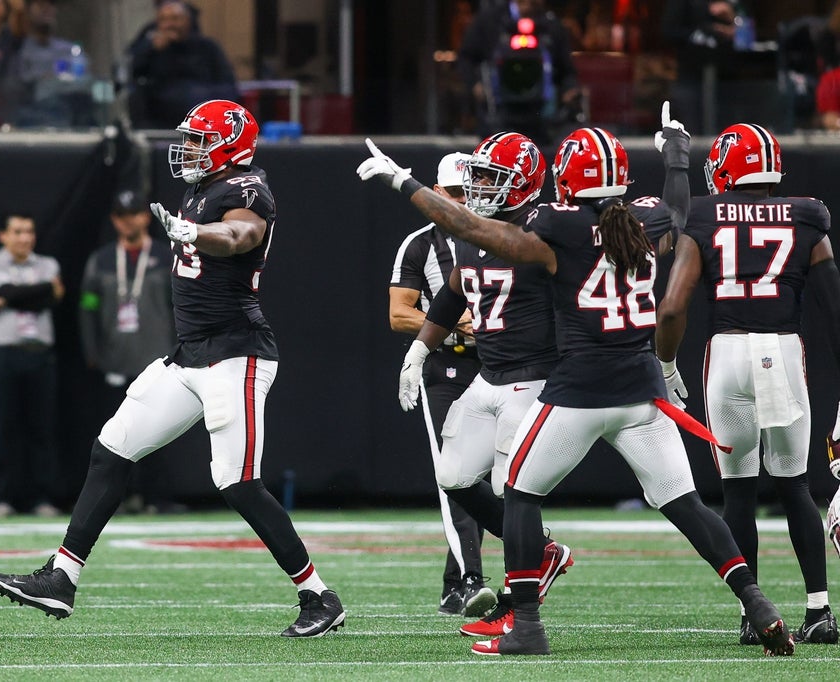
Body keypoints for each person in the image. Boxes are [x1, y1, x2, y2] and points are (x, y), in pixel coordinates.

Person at [357, 102, 795, 657]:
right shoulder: (643, 217)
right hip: (642, 390)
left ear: (564, 176)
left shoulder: (552, 225)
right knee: (686, 504)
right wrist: (677, 156)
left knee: (518, 495)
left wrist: (405, 182)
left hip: (580, 390)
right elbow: (679, 210)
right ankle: (757, 603)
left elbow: (468, 226)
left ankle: (528, 628)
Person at [0, 99, 345, 638]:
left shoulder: (247, 189)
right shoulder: (203, 187)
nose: (190, 149)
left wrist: (195, 234)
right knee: (112, 448)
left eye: (200, 139)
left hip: (236, 354)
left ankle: (318, 596)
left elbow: (240, 235)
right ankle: (61, 577)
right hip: (189, 355)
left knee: (237, 482)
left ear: (230, 143)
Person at [655, 123, 840, 646]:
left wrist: (666, 367)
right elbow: (834, 311)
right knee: (795, 486)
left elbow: (671, 308)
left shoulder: (705, 215)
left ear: (727, 168)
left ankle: (753, 613)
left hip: (729, 354)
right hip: (783, 351)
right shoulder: (808, 215)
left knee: (737, 491)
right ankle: (819, 611)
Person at [398, 132, 572, 639]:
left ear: (522, 186)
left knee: (512, 489)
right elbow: (452, 297)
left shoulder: (543, 231)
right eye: (477, 177)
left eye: (492, 177)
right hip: (487, 377)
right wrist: (418, 351)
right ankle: (544, 553)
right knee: (452, 474)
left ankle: (519, 612)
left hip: (534, 377)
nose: (479, 188)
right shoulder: (476, 235)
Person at [389, 151, 495, 618]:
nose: (462, 201)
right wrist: (454, 327)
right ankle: (470, 581)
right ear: (436, 193)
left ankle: (458, 583)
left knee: (491, 480)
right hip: (448, 369)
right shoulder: (420, 245)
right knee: (455, 473)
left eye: (468, 191)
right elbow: (398, 312)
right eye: (453, 193)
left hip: (499, 368)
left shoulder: (502, 233)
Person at [79, 189, 183, 515]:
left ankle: (155, 497)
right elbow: (88, 306)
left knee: (160, 432)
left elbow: (179, 305)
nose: (129, 221)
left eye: (135, 214)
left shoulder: (166, 256)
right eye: (122, 216)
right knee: (115, 435)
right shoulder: (102, 259)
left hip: (158, 357)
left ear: (144, 217)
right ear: (114, 220)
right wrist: (92, 349)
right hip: (115, 358)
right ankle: (119, 499)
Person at [0, 214, 64, 519]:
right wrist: (39, 291)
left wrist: (4, 298)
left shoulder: (47, 264)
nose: (24, 238)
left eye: (29, 231)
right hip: (3, 354)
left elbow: (33, 297)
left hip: (39, 354)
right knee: (0, 427)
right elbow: (38, 294)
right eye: (17, 232)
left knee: (41, 429)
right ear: (3, 235)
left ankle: (41, 497)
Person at [457, 0, 579, 143]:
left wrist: (569, 90)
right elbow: (466, 58)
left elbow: (567, 71)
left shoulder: (552, 26)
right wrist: (475, 84)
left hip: (539, 118)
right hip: (498, 117)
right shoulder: (489, 20)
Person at [125, 0, 240, 129]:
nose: (169, 25)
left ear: (188, 21)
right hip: (159, 115)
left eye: (175, 19)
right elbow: (130, 72)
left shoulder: (208, 47)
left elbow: (227, 83)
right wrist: (150, 49)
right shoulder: (148, 47)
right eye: (163, 20)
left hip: (201, 114)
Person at [0, 0, 92, 128]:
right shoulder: (16, 50)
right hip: (27, 125)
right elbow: (7, 88)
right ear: (28, 11)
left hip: (66, 124)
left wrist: (51, 82)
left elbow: (85, 83)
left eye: (51, 4)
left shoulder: (69, 50)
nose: (47, 9)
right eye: (41, 4)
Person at [660, 0, 743, 135]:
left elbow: (743, 28)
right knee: (693, 128)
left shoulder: (730, 4)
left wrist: (731, 18)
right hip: (691, 74)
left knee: (727, 129)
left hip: (726, 77)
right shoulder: (683, 5)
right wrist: (698, 33)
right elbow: (669, 31)